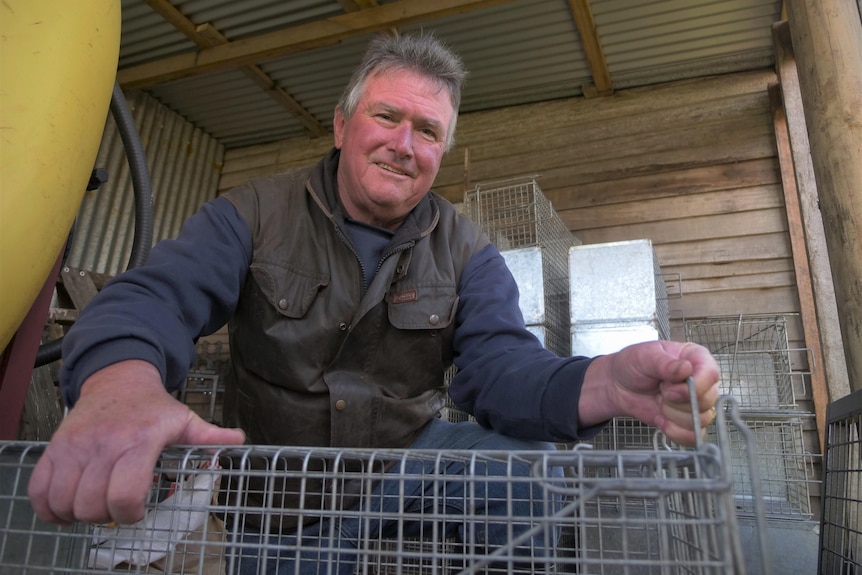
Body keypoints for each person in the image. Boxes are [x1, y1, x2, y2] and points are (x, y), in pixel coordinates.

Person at [28, 33, 719, 572]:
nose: (404, 144)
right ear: (341, 124)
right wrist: (120, 381)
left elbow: (501, 366)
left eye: (428, 131)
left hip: (402, 461)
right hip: (283, 492)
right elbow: (155, 296)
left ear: (443, 152)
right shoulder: (254, 212)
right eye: (387, 116)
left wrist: (599, 380)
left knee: (523, 465)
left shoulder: (467, 250)